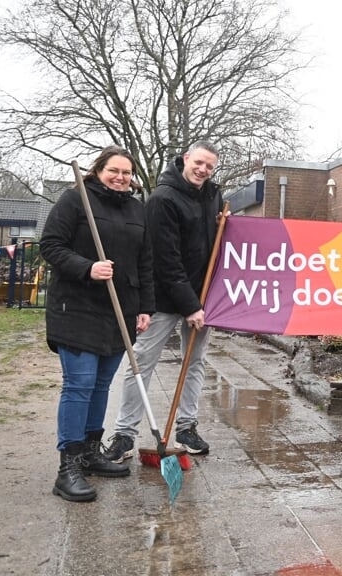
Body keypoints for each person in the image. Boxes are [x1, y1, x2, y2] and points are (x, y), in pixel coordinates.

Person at [40, 146, 154, 502]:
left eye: (126, 172)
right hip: (76, 307)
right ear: (98, 170)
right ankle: (68, 467)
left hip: (119, 310)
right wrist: (87, 267)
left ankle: (91, 453)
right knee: (80, 384)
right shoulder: (75, 200)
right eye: (113, 171)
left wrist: (146, 307)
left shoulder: (137, 209)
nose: (120, 177)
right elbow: (50, 246)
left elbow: (145, 262)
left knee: (102, 384)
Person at [104, 140, 223, 462]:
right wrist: (190, 306)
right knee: (141, 364)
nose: (203, 170)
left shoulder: (214, 196)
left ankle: (186, 427)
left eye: (209, 166)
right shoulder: (163, 199)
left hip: (201, 297)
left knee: (194, 363)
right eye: (198, 162)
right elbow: (166, 260)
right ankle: (124, 435)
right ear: (186, 159)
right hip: (163, 298)